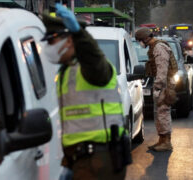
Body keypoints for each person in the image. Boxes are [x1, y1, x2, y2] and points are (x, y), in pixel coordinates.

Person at [41, 4, 130, 180]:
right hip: (80, 160)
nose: (48, 46)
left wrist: (79, 34)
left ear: (68, 40)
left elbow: (93, 57)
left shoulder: (91, 69)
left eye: (52, 40)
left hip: (99, 160)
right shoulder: (67, 70)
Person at [135, 27, 178, 152]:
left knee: (163, 112)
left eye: (140, 41)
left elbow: (162, 69)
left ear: (145, 38)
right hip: (162, 83)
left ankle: (166, 142)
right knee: (159, 113)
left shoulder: (159, 48)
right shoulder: (154, 46)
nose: (140, 43)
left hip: (164, 84)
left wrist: (158, 86)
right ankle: (162, 139)